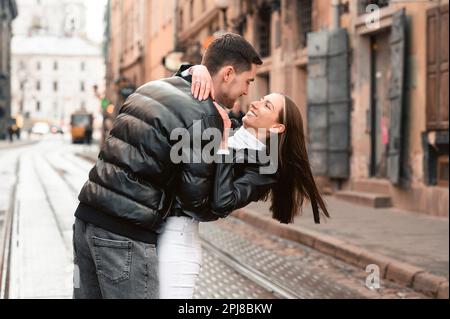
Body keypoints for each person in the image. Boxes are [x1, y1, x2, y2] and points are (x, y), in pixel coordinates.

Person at [72, 33, 263, 299]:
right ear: (228, 73)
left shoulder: (152, 87)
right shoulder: (205, 114)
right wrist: (226, 149)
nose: (246, 91)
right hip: (124, 235)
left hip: (85, 220)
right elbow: (197, 203)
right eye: (248, 81)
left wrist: (189, 70)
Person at [157, 66, 330, 299]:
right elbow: (176, 109)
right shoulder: (229, 126)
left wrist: (224, 146)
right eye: (261, 99)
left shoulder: (264, 170)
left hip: (177, 246)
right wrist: (193, 71)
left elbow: (222, 202)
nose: (256, 103)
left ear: (277, 127)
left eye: (267, 106)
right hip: (152, 228)